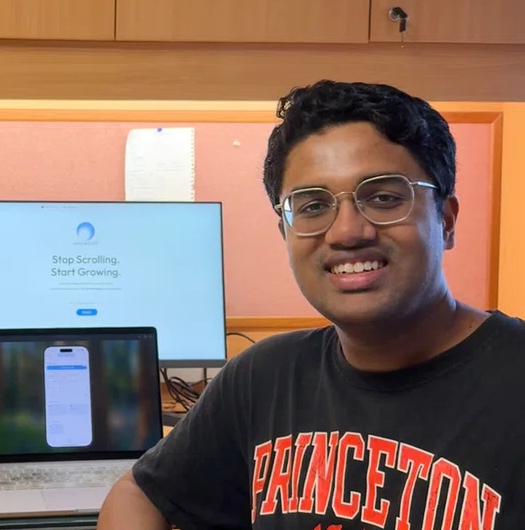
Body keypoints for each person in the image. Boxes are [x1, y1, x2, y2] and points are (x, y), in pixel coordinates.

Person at [97, 80, 525, 529]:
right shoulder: (264, 378)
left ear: (447, 220)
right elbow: (138, 493)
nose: (346, 232)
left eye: (383, 197)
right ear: (286, 233)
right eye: (313, 206)